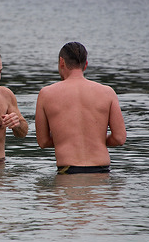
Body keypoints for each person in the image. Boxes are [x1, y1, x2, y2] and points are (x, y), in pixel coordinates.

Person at [35, 42, 126, 174]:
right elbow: (119, 138)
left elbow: (43, 142)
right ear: (86, 64)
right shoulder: (107, 92)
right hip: (102, 171)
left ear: (62, 62)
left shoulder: (46, 94)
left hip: (68, 171)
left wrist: (66, 139)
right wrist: (97, 139)